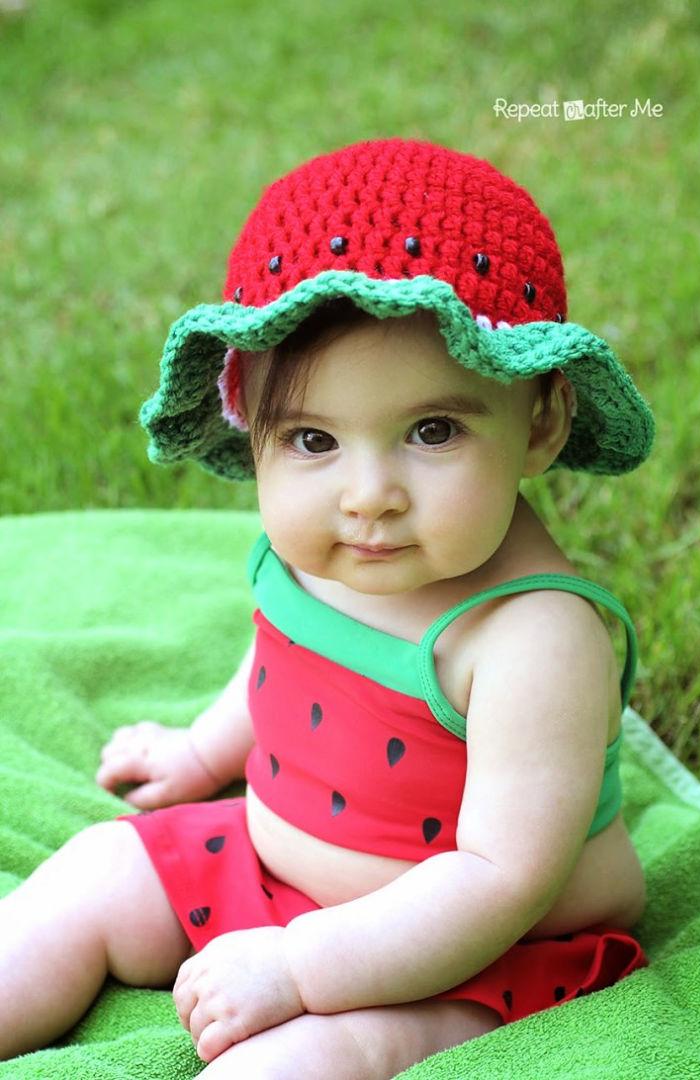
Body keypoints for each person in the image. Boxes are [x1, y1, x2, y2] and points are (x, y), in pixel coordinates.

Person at [0, 138, 655, 1078]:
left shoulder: (532, 638)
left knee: (306, 1060)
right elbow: (280, 664)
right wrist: (201, 753)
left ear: (539, 420)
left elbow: (501, 878)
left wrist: (303, 968)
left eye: (433, 431)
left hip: (472, 951)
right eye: (313, 438)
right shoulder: (326, 548)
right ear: (250, 424)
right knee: (93, 876)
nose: (368, 495)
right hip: (271, 865)